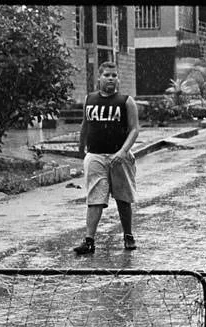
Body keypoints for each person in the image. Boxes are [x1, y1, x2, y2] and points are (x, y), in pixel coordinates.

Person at [73, 61, 140, 255]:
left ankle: (128, 235)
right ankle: (89, 240)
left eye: (114, 75)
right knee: (95, 197)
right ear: (99, 77)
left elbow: (135, 129)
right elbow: (85, 124)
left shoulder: (126, 101)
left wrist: (123, 151)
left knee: (123, 197)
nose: (111, 78)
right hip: (95, 154)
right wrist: (81, 147)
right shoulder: (90, 99)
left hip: (119, 156)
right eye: (107, 75)